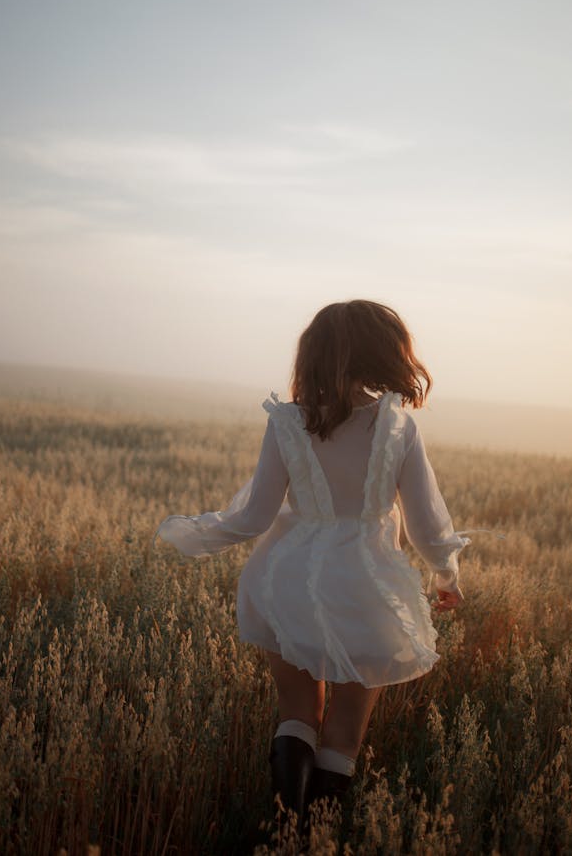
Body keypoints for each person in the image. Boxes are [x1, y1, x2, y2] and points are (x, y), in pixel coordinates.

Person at [155, 300, 469, 829]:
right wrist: (447, 575)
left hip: (290, 581)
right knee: (345, 730)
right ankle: (315, 838)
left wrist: (200, 534)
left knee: (298, 711)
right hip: (367, 588)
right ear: (381, 355)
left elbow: (255, 516)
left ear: (313, 356)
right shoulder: (397, 428)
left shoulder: (288, 423)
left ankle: (284, 828)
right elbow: (426, 525)